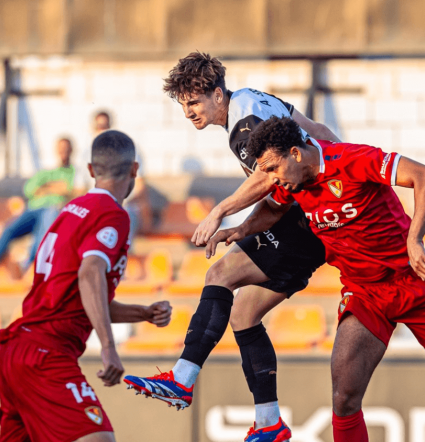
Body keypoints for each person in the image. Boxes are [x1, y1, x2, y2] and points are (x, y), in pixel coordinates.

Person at [206, 116, 425, 442]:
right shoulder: (291, 184)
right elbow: (272, 209)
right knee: (344, 397)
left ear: (295, 153)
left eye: (271, 168)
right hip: (364, 291)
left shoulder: (351, 160)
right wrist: (241, 229)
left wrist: (415, 239)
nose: (269, 179)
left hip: (414, 281)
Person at [124, 52, 340, 441]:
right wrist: (344, 165)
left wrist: (220, 213)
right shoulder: (256, 98)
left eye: (195, 102)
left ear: (218, 95)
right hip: (310, 215)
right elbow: (317, 129)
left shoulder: (244, 124)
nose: (188, 112)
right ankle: (269, 421)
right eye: (183, 104)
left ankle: (183, 378)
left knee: (219, 273)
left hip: (306, 222)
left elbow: (267, 176)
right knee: (243, 313)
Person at [0, 130, 173, 442]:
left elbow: (81, 297)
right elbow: (90, 275)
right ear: (134, 170)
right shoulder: (113, 214)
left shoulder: (71, 210)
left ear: (90, 170)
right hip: (45, 354)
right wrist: (108, 346)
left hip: (15, 350)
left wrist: (142, 313)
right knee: (98, 439)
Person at [0, 137, 76, 279]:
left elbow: (72, 191)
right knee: (8, 229)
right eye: (61, 148)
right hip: (33, 209)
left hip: (54, 211)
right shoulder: (46, 172)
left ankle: (30, 264)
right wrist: (56, 187)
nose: (63, 152)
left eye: (66, 149)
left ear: (71, 151)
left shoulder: (75, 173)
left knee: (43, 229)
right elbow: (29, 190)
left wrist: (45, 188)